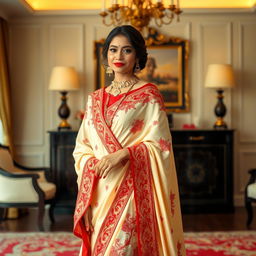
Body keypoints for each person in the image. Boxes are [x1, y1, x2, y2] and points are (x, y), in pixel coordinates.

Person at [73, 25, 186, 256]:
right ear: (106, 55)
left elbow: (161, 144)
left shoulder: (148, 94)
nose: (118, 56)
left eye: (126, 50)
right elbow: (82, 148)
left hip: (132, 188)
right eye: (113, 50)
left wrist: (123, 154)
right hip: (99, 192)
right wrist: (87, 191)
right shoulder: (94, 99)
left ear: (137, 56)